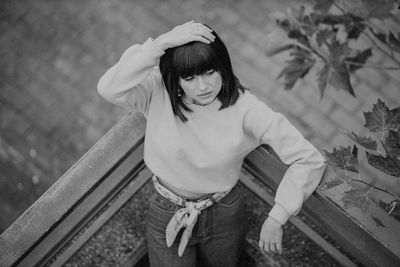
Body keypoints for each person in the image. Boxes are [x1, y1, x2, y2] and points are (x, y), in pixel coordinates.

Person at [97, 20, 326, 267]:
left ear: (222, 67)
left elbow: (308, 159)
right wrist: (161, 44)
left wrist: (277, 216)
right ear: (177, 78)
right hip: (166, 209)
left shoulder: (246, 108)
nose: (203, 86)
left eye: (210, 72)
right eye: (190, 77)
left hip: (224, 212)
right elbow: (109, 89)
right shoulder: (157, 90)